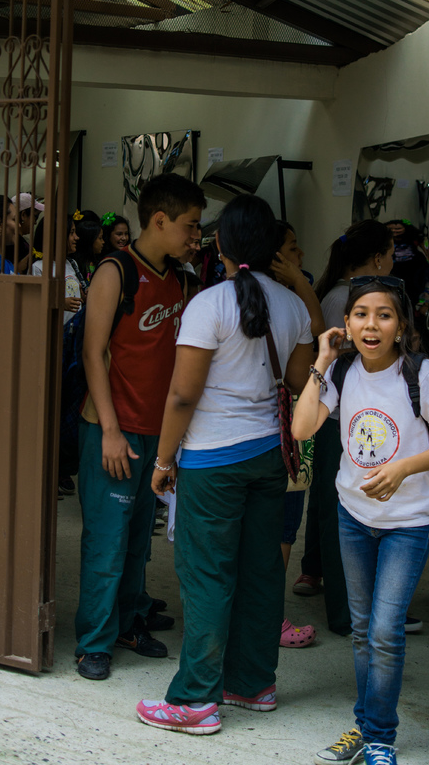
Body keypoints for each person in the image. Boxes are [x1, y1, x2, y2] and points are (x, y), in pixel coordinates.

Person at [136, 194, 314, 735]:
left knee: (208, 575)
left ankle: (194, 701)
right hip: (268, 456)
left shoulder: (208, 305)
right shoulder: (292, 306)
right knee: (262, 570)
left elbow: (183, 397)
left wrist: (164, 459)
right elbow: (303, 385)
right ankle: (253, 683)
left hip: (213, 460)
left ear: (222, 243)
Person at [292, 276, 429, 765]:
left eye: (384, 315)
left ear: (400, 324)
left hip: (408, 521)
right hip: (354, 517)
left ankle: (379, 739)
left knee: (385, 631)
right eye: (361, 314)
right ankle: (366, 728)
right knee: (364, 628)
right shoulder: (342, 372)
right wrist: (321, 361)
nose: (371, 324)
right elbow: (302, 428)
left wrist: (403, 467)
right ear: (346, 323)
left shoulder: (419, 374)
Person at [74, 173, 206, 682]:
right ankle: (93, 643)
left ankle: (128, 622)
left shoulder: (183, 278)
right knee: (106, 541)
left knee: (135, 540)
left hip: (157, 433)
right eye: (190, 226)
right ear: (160, 220)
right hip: (114, 428)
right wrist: (109, 429)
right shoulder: (115, 271)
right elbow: (93, 352)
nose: (196, 236)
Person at [294, 220, 394, 637]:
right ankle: (345, 610)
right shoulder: (345, 298)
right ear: (376, 258)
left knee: (328, 504)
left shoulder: (340, 294)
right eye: (390, 254)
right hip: (340, 419)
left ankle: (320, 578)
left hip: (339, 418)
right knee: (343, 514)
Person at [271, 219, 325, 648]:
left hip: (280, 421)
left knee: (285, 517)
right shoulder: (285, 296)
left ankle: (265, 611)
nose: (300, 254)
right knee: (285, 520)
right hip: (286, 417)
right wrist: (301, 286)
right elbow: (319, 335)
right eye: (292, 247)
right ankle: (270, 615)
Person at [31, 214, 83, 325]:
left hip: (72, 331)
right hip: (53, 331)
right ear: (58, 236)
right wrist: (60, 303)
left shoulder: (71, 263)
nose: (76, 237)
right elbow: (35, 302)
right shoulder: (39, 267)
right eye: (71, 233)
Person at [6, 193, 44, 273]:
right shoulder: (14, 243)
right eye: (35, 217)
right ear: (23, 215)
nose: (35, 222)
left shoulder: (20, 242)